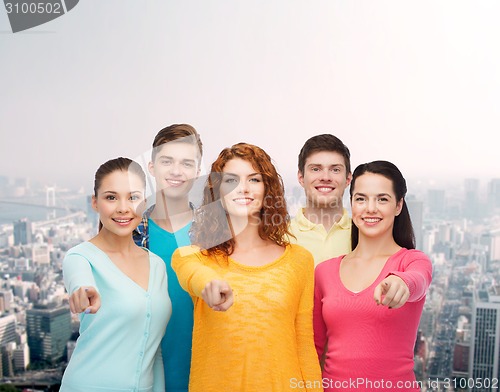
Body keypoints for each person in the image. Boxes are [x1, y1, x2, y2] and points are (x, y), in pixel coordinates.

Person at [171, 143, 323, 392]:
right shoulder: (193, 258)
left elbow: (304, 344)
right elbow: (197, 277)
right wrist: (210, 284)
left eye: (254, 179)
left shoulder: (299, 260)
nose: (243, 188)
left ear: (267, 190)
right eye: (231, 180)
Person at [313, 160, 433, 392]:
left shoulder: (411, 262)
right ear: (351, 204)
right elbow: (313, 348)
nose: (370, 208)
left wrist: (401, 282)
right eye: (361, 198)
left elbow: (418, 279)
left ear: (398, 206)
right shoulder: (324, 272)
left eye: (382, 199)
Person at [61, 157, 171, 392]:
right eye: (111, 197)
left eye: (133, 197)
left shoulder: (158, 266)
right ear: (95, 203)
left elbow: (154, 351)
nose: (123, 207)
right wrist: (83, 292)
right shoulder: (80, 257)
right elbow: (80, 283)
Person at [133, 124, 203, 392]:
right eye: (167, 161)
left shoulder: (217, 232)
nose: (176, 171)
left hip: (207, 374)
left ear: (197, 171)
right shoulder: (130, 232)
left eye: (186, 163)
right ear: (152, 167)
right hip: (144, 378)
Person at [289, 134, 352, 266]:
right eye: (316, 169)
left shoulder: (365, 234)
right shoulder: (280, 237)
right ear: (301, 177)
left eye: (335, 169)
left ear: (348, 179)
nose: (325, 177)